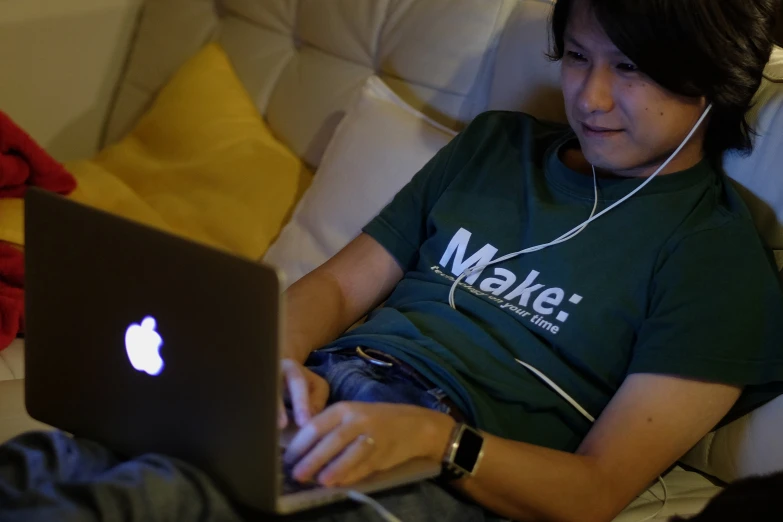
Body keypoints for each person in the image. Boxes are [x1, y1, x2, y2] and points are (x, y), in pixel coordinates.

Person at [1, 1, 782, 522]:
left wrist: (432, 442)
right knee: (49, 458)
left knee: (152, 500)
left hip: (444, 464)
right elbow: (341, 284)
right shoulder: (496, 146)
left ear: (711, 83)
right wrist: (270, 362)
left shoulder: (716, 265)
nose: (591, 98)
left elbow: (596, 489)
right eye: (578, 58)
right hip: (324, 399)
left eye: (631, 69)